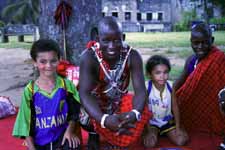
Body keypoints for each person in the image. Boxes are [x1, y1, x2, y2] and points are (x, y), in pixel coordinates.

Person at [79, 16, 151, 149]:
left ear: (123, 37)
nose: (111, 47)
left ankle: (118, 138)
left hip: (117, 103)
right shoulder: (89, 57)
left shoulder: (132, 56)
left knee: (143, 108)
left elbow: (140, 91)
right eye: (106, 41)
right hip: (97, 106)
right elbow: (84, 94)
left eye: (116, 40)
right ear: (97, 39)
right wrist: (104, 119)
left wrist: (135, 113)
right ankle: (94, 134)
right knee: (83, 111)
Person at [13, 39, 81, 150]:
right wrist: (31, 148)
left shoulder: (66, 85)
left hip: (61, 138)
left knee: (74, 145)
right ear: (35, 62)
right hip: (39, 143)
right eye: (43, 61)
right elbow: (25, 124)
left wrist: (69, 132)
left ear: (59, 60)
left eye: (53, 61)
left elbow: (75, 112)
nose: (48, 65)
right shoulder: (30, 91)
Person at [173, 23, 225, 135]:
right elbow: (178, 85)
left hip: (215, 107)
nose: (200, 46)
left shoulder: (219, 58)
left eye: (204, 42)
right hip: (195, 107)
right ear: (191, 42)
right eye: (196, 43)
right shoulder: (191, 60)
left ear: (212, 40)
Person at [142, 55, 188, 148]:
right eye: (158, 73)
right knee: (149, 144)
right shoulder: (147, 87)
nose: (162, 76)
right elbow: (145, 109)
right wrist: (148, 130)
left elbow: (175, 107)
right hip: (152, 122)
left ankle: (168, 131)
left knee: (181, 141)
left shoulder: (171, 86)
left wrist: (178, 128)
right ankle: (152, 132)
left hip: (167, 121)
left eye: (165, 72)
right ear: (149, 74)